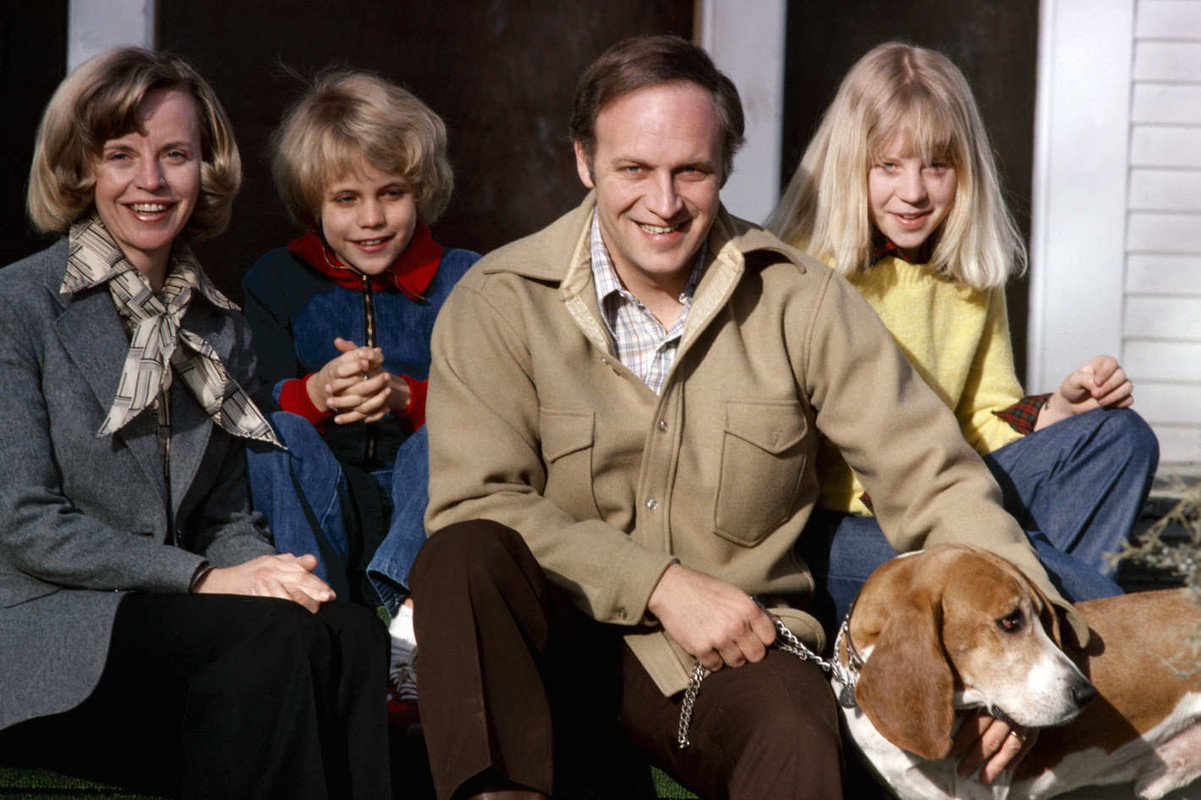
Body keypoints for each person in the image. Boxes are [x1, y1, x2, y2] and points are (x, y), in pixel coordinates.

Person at [410, 35, 1090, 800]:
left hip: (733, 654)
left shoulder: (801, 300)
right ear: (583, 161)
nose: (662, 204)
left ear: (724, 166)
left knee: (796, 739)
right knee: (464, 555)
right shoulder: (499, 300)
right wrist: (659, 583)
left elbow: (932, 478)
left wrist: (1033, 649)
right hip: (547, 640)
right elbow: (476, 499)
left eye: (690, 172)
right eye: (633, 169)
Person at [0, 47, 389, 799]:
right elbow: (24, 523)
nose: (151, 181)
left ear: (203, 170)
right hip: (46, 636)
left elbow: (223, 514)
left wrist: (271, 574)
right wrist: (209, 578)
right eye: (121, 156)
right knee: (272, 642)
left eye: (174, 155)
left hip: (170, 624)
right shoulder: (17, 307)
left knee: (346, 633)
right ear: (81, 170)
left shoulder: (219, 327)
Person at [765, 42, 1158, 618]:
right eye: (888, 166)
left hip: (953, 492)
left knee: (1121, 436)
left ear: (965, 170)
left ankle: (1030, 657)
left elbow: (977, 421)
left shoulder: (968, 273)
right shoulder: (803, 272)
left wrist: (1057, 415)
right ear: (851, 165)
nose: (915, 191)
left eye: (936, 166)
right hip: (842, 528)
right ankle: (1121, 640)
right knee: (1001, 558)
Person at [241, 70, 478, 712]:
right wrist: (315, 395)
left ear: (421, 190)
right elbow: (245, 410)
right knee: (280, 433)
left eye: (391, 193)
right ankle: (313, 625)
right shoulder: (276, 281)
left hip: (421, 511)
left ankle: (409, 622)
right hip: (326, 510)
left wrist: (408, 399)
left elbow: (500, 410)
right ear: (312, 201)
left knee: (446, 435)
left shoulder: (467, 281)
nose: (371, 219)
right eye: (346, 199)